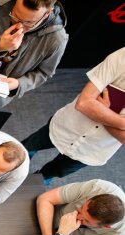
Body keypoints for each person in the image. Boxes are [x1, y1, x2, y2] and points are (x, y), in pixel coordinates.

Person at [22, 47, 125, 183]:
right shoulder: (121, 57)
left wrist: (102, 111)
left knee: (47, 176)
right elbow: (83, 104)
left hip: (93, 150)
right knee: (25, 150)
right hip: (67, 125)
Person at [36, 179, 125, 235]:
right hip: (49, 219)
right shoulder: (97, 188)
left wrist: (63, 234)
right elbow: (45, 199)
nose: (78, 217)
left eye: (86, 220)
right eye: (81, 209)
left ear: (105, 227)